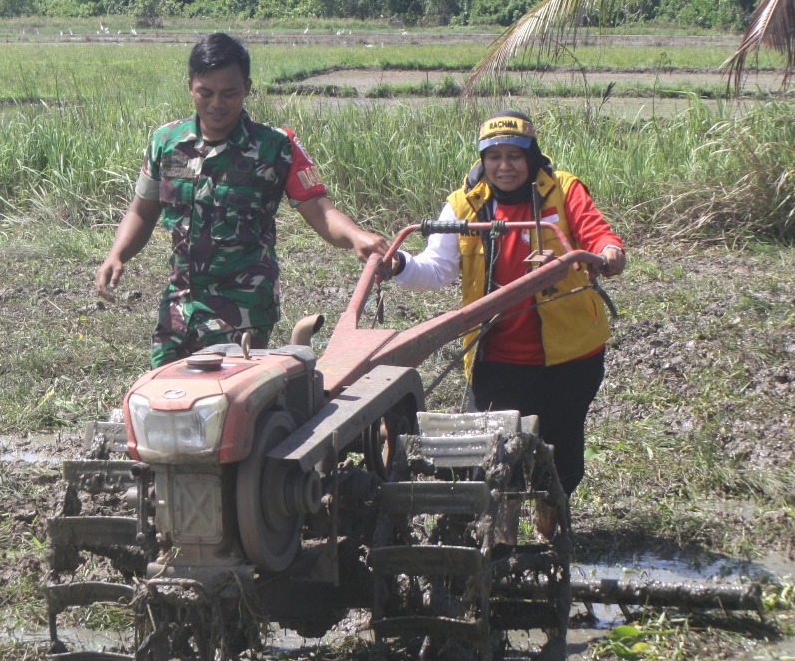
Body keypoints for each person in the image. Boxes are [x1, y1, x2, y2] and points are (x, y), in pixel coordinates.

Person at [385, 111, 626, 529]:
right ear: (483, 160)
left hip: (571, 355)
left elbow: (597, 234)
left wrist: (608, 254)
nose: (504, 166)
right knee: (492, 457)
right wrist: (399, 264)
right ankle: (499, 539)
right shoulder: (464, 205)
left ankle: (552, 517)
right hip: (497, 356)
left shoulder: (563, 189)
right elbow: (437, 268)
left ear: (531, 156)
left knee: (561, 448)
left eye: (514, 156)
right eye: (494, 156)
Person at [95, 33, 388, 367]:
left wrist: (355, 235)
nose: (217, 103)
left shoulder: (276, 147)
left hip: (242, 312)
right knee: (164, 391)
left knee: (229, 395)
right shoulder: (167, 141)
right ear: (190, 86)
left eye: (229, 93)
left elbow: (320, 210)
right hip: (179, 307)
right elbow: (142, 212)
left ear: (247, 88)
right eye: (206, 92)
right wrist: (117, 254)